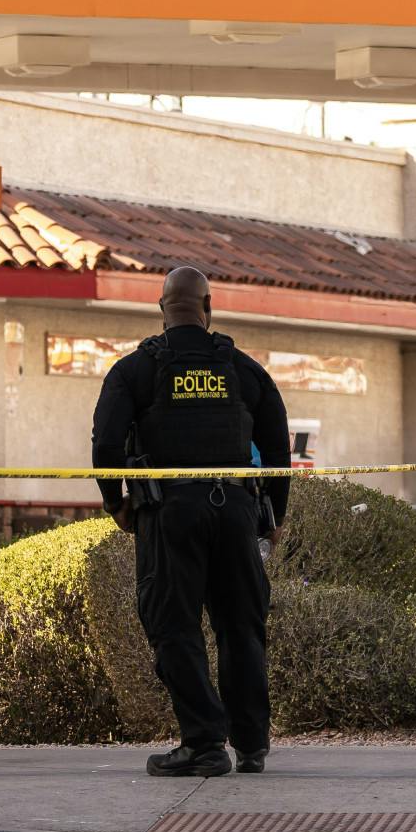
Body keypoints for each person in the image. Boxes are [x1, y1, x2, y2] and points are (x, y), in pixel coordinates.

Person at [92, 266, 291, 777]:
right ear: (209, 307)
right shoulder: (244, 370)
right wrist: (275, 517)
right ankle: (251, 743)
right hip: (237, 512)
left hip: (169, 513)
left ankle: (204, 745)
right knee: (241, 625)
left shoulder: (135, 370)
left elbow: (106, 445)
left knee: (174, 626)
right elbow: (277, 452)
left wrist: (116, 504)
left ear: (162, 309)